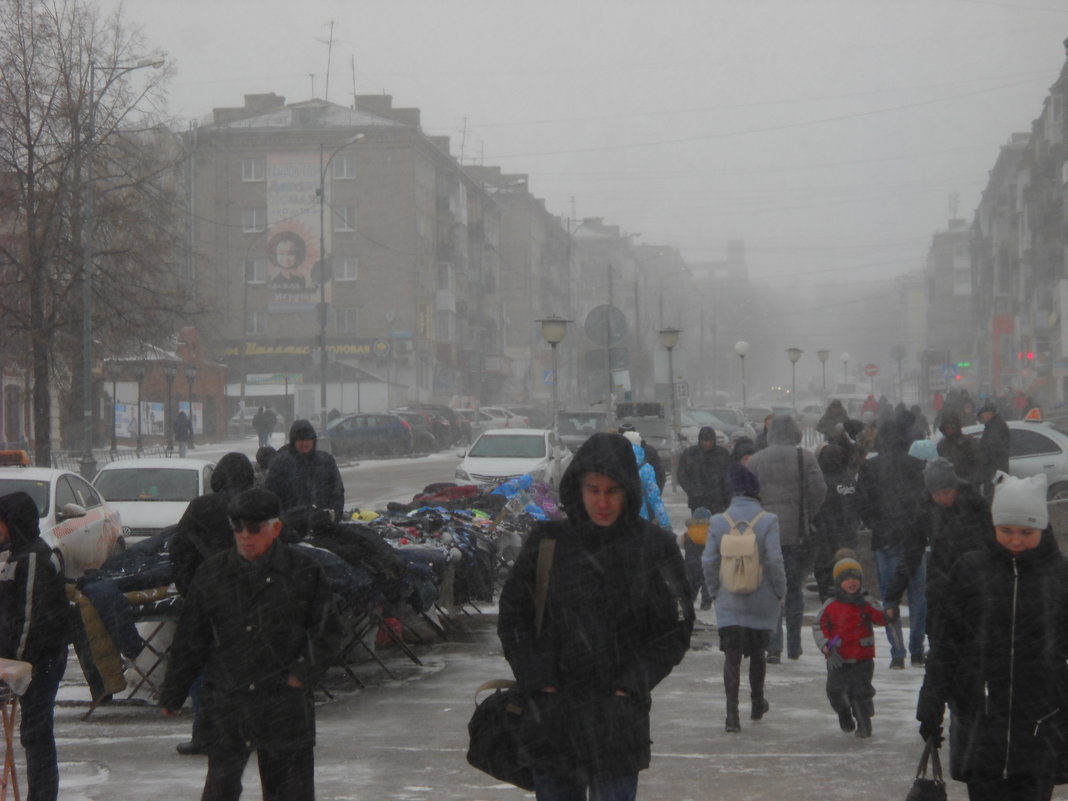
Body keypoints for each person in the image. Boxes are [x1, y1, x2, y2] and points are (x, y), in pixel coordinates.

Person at [497, 432, 693, 801]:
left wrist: (633, 683)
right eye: (593, 489)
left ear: (628, 491)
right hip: (553, 719)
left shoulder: (654, 547)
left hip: (617, 723)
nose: (602, 502)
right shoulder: (547, 542)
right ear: (578, 487)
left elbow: (676, 627)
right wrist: (538, 677)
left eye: (612, 491)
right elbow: (513, 618)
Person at [160, 488, 344, 801]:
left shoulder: (303, 571)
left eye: (254, 528)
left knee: (289, 790)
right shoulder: (213, 573)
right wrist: (173, 691)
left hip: (284, 702)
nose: (245, 536)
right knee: (220, 788)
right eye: (237, 528)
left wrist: (301, 674)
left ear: (275, 528)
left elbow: (327, 631)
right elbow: (192, 637)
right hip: (228, 700)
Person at [917, 471, 1068, 801]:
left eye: (1026, 532)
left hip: (1040, 724)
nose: (1016, 541)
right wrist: (931, 703)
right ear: (993, 527)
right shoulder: (970, 570)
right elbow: (947, 644)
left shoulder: (1059, 576)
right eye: (1006, 531)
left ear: (1042, 528)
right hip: (980, 721)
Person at [167, 452, 257, 756]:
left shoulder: (201, 506)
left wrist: (190, 588)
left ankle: (205, 732)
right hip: (251, 597)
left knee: (204, 665)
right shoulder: (258, 505)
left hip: (207, 596)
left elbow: (179, 548)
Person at [701, 462, 785, 733]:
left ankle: (731, 715)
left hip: (730, 601)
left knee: (732, 658)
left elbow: (708, 561)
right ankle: (757, 702)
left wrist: (716, 591)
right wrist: (779, 590)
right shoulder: (768, 521)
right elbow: (774, 560)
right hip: (761, 601)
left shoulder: (717, 521)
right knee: (758, 654)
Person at [0, 492, 70, 801]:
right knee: (36, 732)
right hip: (39, 657)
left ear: (12, 524)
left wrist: (13, 666)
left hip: (39, 662)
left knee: (36, 733)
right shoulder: (26, 553)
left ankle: (42, 796)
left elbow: (28, 621)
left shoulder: (31, 558)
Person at [884, 458, 990, 648]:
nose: (942, 498)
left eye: (947, 492)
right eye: (936, 494)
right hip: (941, 579)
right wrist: (893, 595)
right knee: (940, 640)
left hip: (974, 581)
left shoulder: (973, 501)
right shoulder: (924, 506)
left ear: (955, 486)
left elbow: (992, 541)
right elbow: (912, 551)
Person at [746, 414, 825, 662]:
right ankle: (794, 645)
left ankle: (774, 645)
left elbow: (745, 494)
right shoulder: (805, 457)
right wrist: (806, 515)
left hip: (765, 535)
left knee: (770, 590)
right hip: (796, 535)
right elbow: (819, 490)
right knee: (793, 589)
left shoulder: (756, 460)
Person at [855, 417, 927, 668]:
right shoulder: (918, 466)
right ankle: (918, 648)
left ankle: (898, 652)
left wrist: (877, 523)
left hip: (884, 539)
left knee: (890, 596)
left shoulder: (870, 468)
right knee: (918, 596)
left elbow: (862, 503)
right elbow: (925, 504)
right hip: (914, 540)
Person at [812, 551, 886, 738]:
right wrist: (827, 645)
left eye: (855, 578)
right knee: (835, 691)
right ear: (838, 582)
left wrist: (887, 613)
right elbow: (819, 625)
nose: (851, 582)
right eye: (846, 579)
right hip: (839, 650)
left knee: (861, 692)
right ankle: (844, 712)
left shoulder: (866, 602)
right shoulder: (831, 604)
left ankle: (864, 723)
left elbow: (880, 617)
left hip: (863, 655)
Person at [265, 419, 345, 519]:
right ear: (293, 441)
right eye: (300, 440)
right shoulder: (280, 463)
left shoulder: (326, 461)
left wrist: (333, 515)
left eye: (308, 439)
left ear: (314, 440)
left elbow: (337, 492)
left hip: (323, 524)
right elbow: (271, 495)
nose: (305, 443)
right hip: (290, 525)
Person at [809, 443, 859, 601]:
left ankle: (829, 607)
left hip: (825, 536)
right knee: (848, 576)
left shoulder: (820, 482)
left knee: (826, 579)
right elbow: (859, 505)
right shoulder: (850, 481)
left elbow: (815, 508)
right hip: (849, 536)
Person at [622, 431, 671, 531]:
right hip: (641, 519)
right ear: (640, 444)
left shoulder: (614, 465)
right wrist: (665, 522)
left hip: (618, 519)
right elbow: (654, 499)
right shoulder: (646, 468)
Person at [676, 426, 731, 515]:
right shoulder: (690, 454)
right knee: (700, 527)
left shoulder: (722, 454)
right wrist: (693, 491)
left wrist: (725, 494)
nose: (708, 444)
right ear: (700, 440)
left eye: (711, 441)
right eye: (705, 441)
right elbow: (682, 475)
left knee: (719, 527)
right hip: (698, 502)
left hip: (720, 501)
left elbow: (729, 476)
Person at [936, 410, 981, 485]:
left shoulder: (968, 441)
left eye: (951, 427)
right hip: (951, 485)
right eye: (946, 428)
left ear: (957, 427)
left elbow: (977, 462)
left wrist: (973, 479)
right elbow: (940, 466)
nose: (949, 430)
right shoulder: (941, 445)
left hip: (969, 483)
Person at [617, 421, 665, 491]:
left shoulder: (613, 451)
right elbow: (659, 476)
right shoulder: (649, 451)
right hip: (643, 497)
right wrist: (654, 495)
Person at [976, 400, 1010, 497]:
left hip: (995, 470)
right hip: (995, 469)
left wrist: (981, 449)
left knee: (994, 498)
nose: (982, 419)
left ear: (989, 414)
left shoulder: (995, 426)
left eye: (983, 416)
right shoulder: (994, 425)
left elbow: (992, 448)